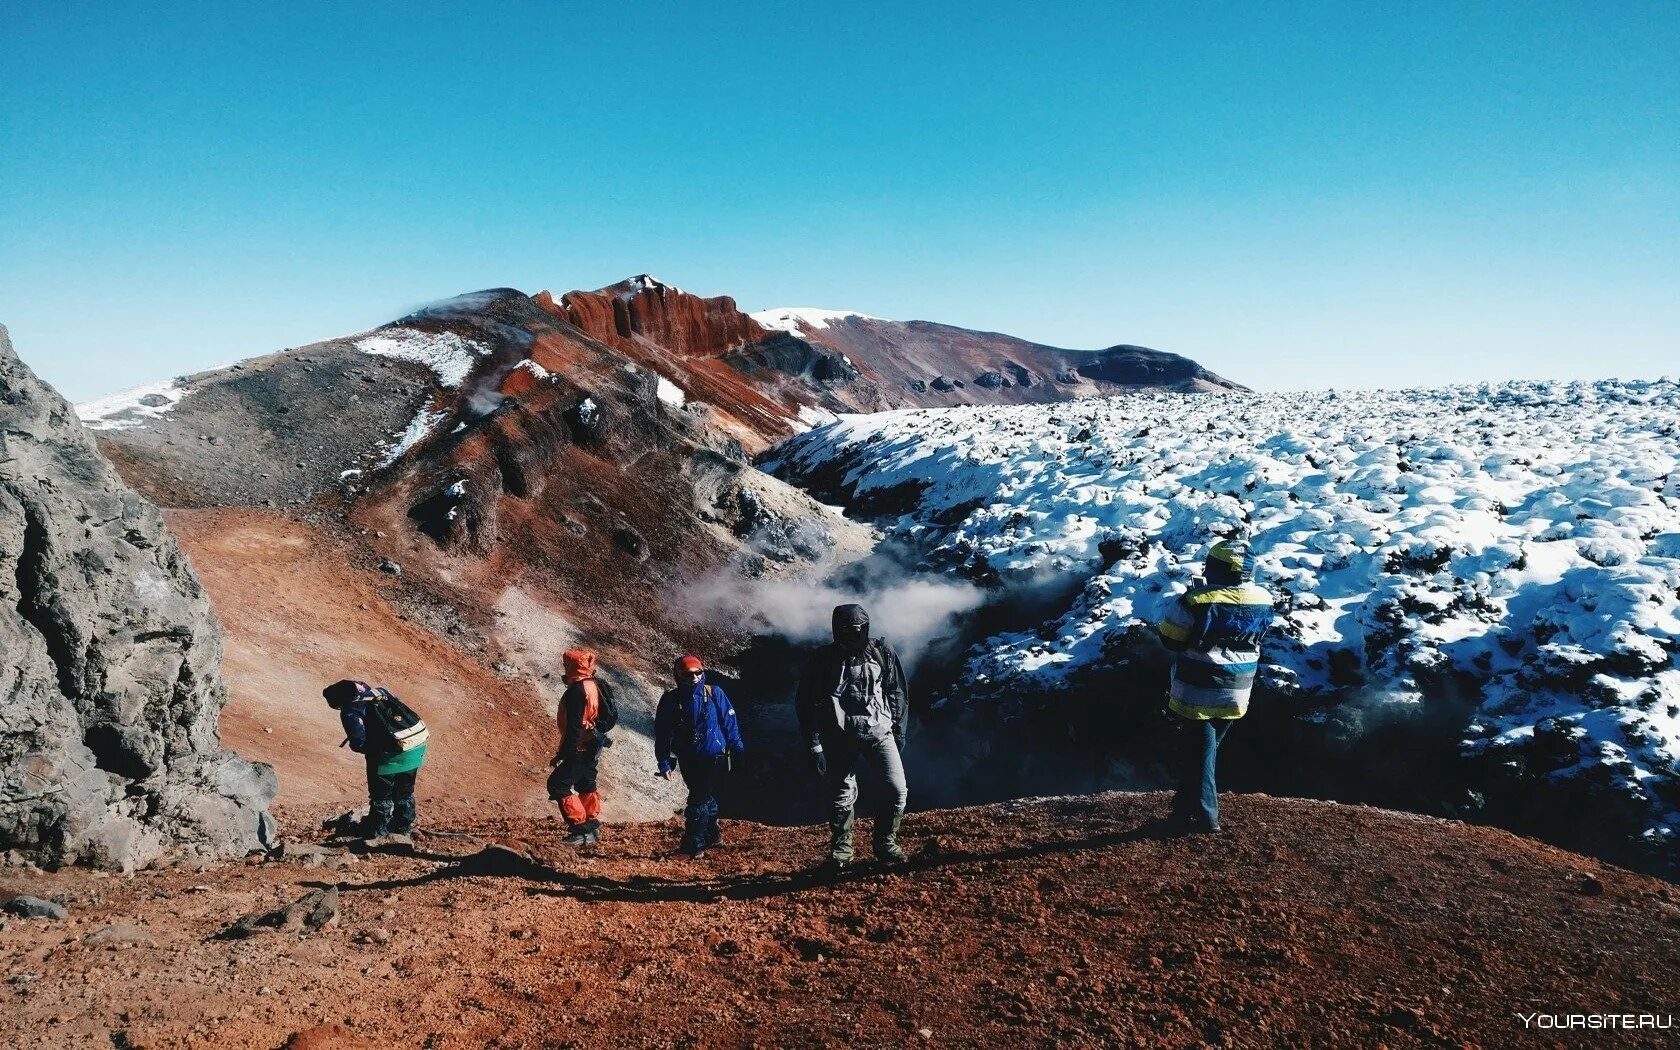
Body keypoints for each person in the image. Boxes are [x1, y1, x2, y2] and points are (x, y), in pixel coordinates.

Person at [1155, 538, 1274, 834]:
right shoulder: (1264, 598)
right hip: (1240, 686)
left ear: (1217, 567)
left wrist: (1190, 597)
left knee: (1201, 751)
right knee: (1204, 749)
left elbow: (1171, 639)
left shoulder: (1197, 600)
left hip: (1199, 687)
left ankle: (1206, 817)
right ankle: (1182, 811)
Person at [796, 603, 910, 870]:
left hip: (879, 731)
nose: (853, 634)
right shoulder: (822, 660)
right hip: (837, 736)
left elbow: (897, 692)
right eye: (847, 630)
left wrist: (899, 730)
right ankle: (842, 850)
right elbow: (806, 703)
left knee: (897, 790)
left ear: (866, 628)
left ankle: (886, 843)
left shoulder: (882, 652)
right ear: (836, 630)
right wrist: (814, 745)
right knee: (841, 794)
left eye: (858, 629)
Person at [654, 655, 746, 858]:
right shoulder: (671, 700)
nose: (694, 678)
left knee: (697, 800)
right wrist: (664, 762)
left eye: (698, 673)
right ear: (678, 676)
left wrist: (738, 750)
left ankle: (693, 846)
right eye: (688, 675)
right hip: (688, 759)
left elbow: (730, 723)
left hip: (714, 756)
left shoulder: (715, 693)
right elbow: (662, 732)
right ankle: (713, 835)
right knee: (702, 795)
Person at [323, 679, 428, 845]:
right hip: (414, 746)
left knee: (381, 796)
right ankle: (403, 829)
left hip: (387, 757)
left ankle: (378, 833)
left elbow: (358, 742)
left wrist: (372, 748)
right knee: (405, 792)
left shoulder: (351, 709)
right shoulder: (381, 692)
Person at [548, 649, 616, 847]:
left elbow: (575, 726)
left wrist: (564, 753)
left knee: (558, 784)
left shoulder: (577, 690)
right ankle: (592, 826)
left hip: (581, 745)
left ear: (571, 666)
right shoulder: (593, 684)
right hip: (594, 743)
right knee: (586, 783)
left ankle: (580, 830)